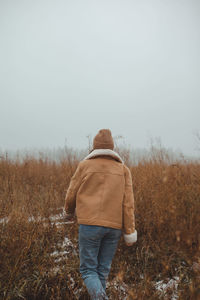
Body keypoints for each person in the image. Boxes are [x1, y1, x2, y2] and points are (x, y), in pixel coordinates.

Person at [64, 129, 137, 300]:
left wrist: (68, 212)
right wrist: (129, 231)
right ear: (112, 147)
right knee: (102, 271)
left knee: (88, 270)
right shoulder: (123, 170)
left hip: (89, 225)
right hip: (114, 227)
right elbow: (128, 204)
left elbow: (71, 193)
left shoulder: (84, 166)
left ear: (94, 147)